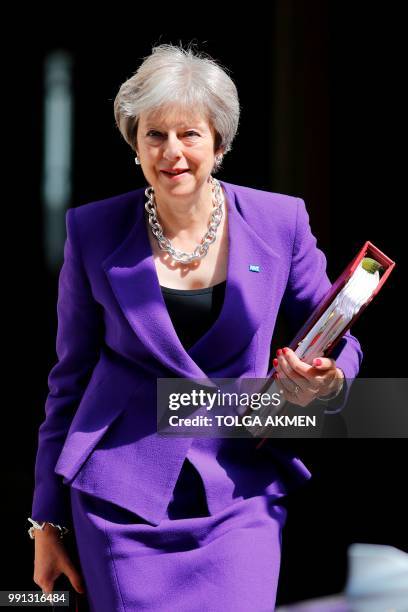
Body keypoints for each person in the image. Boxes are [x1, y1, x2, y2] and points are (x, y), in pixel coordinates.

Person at [29, 42, 363, 611]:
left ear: (220, 143)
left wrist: (329, 381)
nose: (172, 152)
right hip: (120, 501)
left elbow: (339, 334)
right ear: (134, 145)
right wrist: (46, 522)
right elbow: (69, 381)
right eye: (154, 135)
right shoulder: (92, 231)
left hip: (240, 489)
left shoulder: (281, 222)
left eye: (190, 134)